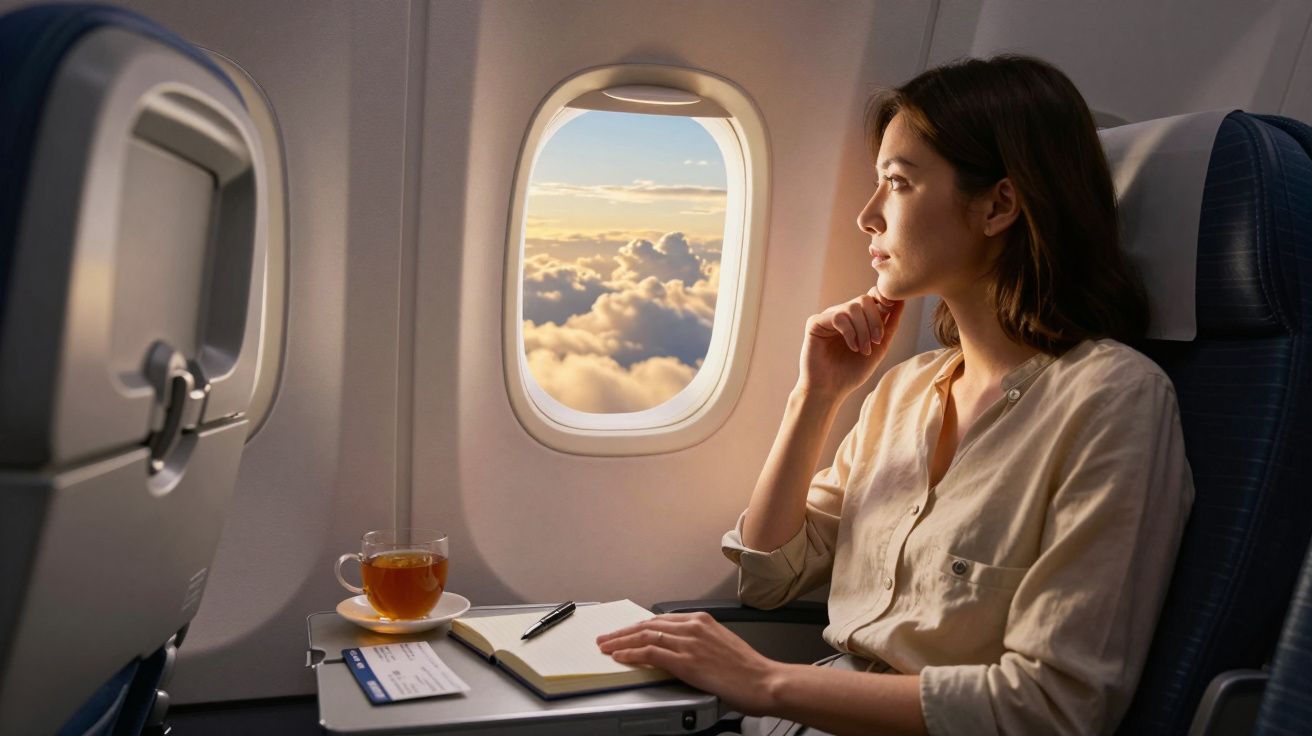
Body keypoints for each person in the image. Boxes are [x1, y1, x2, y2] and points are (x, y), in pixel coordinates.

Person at [597, 54, 1194, 735]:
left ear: (999, 205)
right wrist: (815, 398)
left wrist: (765, 682)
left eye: (898, 184)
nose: (867, 217)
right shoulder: (906, 390)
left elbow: (1052, 707)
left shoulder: (1113, 403)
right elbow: (767, 578)